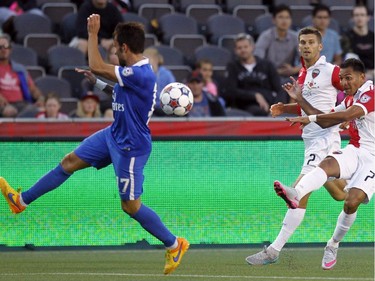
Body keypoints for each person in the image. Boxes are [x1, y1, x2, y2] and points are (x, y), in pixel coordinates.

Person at [0, 15, 189, 275]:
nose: (112, 50)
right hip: (113, 134)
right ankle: (20, 201)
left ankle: (174, 243)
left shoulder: (142, 73)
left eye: (113, 46)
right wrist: (96, 81)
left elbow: (96, 63)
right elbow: (118, 92)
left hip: (131, 147)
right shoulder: (131, 76)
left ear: (124, 48)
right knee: (69, 162)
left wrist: (92, 33)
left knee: (130, 206)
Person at [245, 27, 347, 265]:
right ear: (298, 46)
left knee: (298, 193)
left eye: (311, 42)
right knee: (341, 194)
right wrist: (285, 108)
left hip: (323, 138)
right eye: (303, 42)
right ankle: (364, 183)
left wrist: (348, 115)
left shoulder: (330, 70)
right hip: (312, 139)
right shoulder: (302, 74)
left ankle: (273, 250)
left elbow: (351, 89)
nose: (306, 46)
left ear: (320, 47)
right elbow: (307, 104)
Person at [275, 58, 374, 270]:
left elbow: (346, 116)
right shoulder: (350, 98)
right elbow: (327, 117)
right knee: (327, 163)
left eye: (349, 78)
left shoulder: (369, 94)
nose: (345, 83)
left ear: (362, 77)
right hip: (356, 150)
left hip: (373, 158)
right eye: (342, 79)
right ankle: (296, 193)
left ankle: (333, 244)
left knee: (351, 202)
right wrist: (299, 102)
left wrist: (310, 119)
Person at [223, 33, 288, 116]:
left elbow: (279, 88)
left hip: (269, 104)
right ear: (235, 50)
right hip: (245, 105)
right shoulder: (232, 66)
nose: (243, 50)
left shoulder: (267, 65)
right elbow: (231, 91)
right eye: (239, 48)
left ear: (252, 47)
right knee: (258, 112)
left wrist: (276, 107)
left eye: (245, 47)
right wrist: (255, 95)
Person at [254, 4, 300, 84]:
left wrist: (294, 69)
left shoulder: (295, 37)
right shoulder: (266, 36)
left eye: (287, 17)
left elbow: (307, 60)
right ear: (274, 20)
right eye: (281, 17)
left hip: (289, 75)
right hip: (268, 75)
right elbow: (257, 59)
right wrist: (276, 71)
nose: (284, 21)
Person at [0, 33, 44, 117]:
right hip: (3, 105)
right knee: (10, 112)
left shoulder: (19, 69)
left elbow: (33, 89)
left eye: (6, 47)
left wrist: (40, 98)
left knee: (41, 111)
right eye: (0, 47)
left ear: (10, 50)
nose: (3, 50)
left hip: (21, 104)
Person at [341, 5, 374, 80]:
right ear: (352, 18)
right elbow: (347, 58)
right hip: (354, 74)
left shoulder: (373, 37)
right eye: (356, 15)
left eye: (362, 15)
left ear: (368, 17)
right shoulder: (347, 37)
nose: (359, 18)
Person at [143, 47, 176, 117]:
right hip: (147, 108)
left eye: (147, 58)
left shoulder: (167, 74)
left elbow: (173, 92)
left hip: (164, 108)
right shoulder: (142, 74)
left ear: (156, 60)